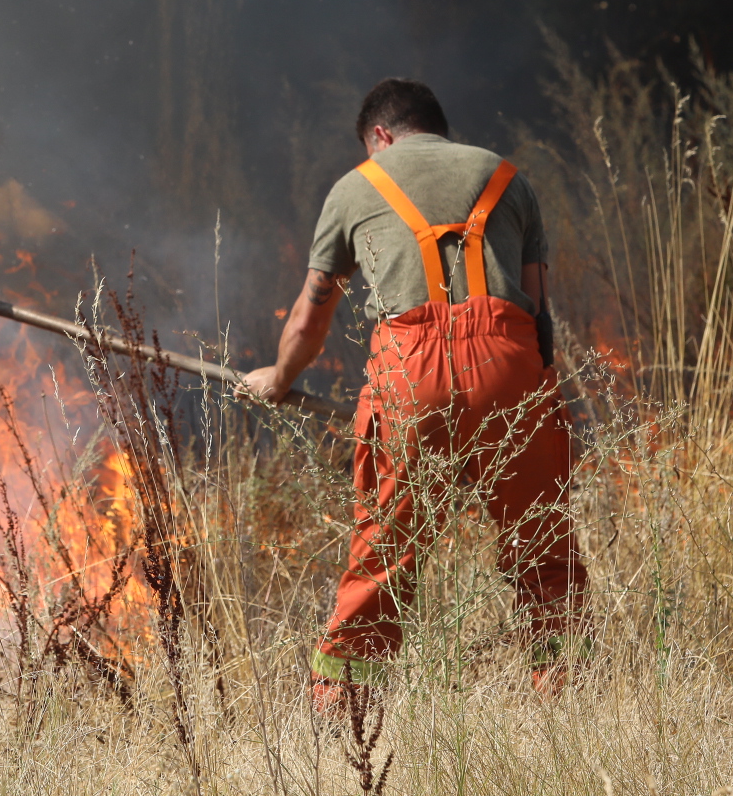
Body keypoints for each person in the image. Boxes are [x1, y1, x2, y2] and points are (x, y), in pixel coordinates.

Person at [243, 78, 585, 694]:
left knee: (382, 557)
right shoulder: (509, 178)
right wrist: (536, 402)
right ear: (436, 127)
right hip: (511, 364)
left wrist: (279, 376)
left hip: (410, 376)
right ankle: (561, 690)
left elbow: (308, 316)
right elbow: (539, 313)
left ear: (380, 135)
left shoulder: (356, 186)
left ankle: (345, 712)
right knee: (543, 547)